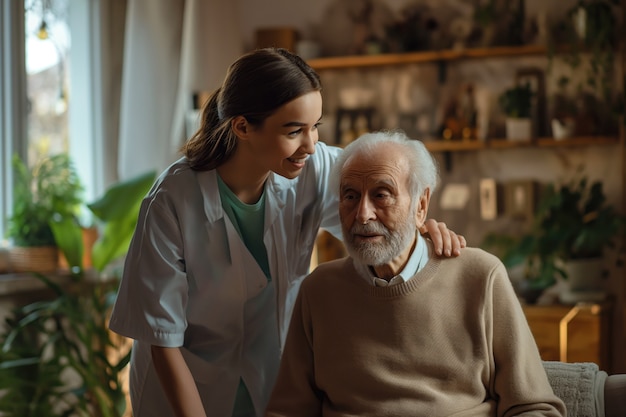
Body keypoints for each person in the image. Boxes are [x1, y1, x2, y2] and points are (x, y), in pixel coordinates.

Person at [108, 48, 465, 417]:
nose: (310, 145)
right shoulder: (171, 202)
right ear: (242, 126)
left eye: (315, 127)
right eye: (294, 131)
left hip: (268, 387)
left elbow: (378, 211)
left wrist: (419, 228)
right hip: (187, 392)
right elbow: (162, 341)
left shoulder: (313, 166)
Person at [265, 130, 566, 417]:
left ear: (421, 206)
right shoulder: (319, 290)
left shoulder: (481, 277)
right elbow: (288, 410)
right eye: (350, 196)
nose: (363, 214)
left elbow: (534, 407)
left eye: (381, 195)